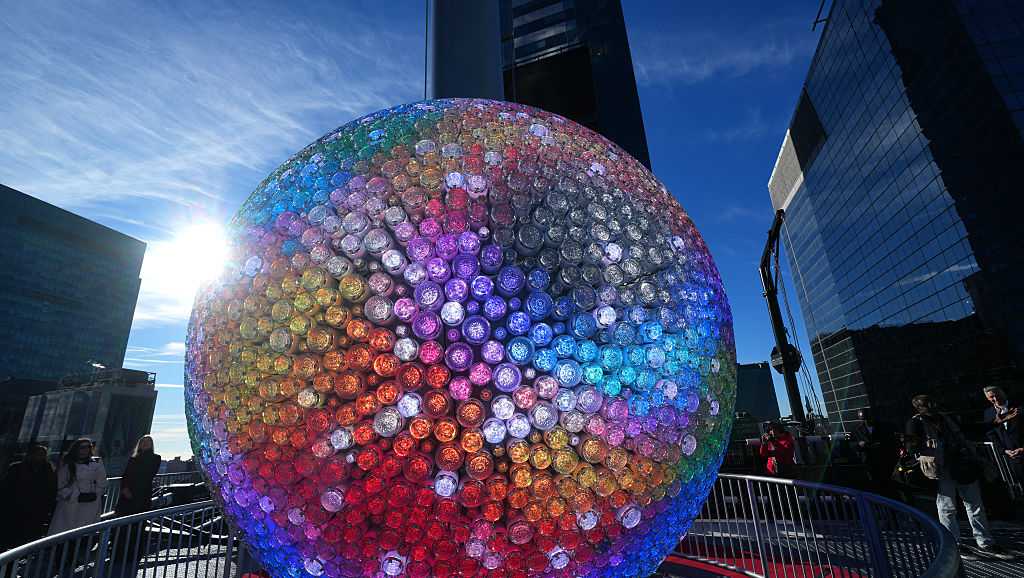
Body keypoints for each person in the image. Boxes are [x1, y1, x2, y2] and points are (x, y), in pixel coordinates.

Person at [905, 394, 1012, 560]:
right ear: (919, 408)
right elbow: (912, 447)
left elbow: (967, 429)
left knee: (974, 503)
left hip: (961, 463)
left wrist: (992, 423)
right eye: (928, 405)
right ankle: (954, 543)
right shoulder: (916, 423)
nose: (932, 407)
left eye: (932, 403)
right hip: (941, 468)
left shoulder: (947, 418)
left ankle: (985, 542)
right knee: (947, 507)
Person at [0, 445, 57, 549]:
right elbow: (6, 488)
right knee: (10, 536)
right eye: (38, 454)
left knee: (27, 537)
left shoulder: (48, 470)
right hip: (15, 508)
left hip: (36, 509)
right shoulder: (17, 468)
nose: (40, 457)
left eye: (42, 454)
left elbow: (51, 490)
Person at [49, 438, 107, 535]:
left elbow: (102, 481)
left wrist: (96, 494)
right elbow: (60, 484)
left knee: (85, 532)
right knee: (65, 531)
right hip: (71, 504)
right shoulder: (67, 463)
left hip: (90, 504)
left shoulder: (96, 463)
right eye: (82, 447)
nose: (85, 450)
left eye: (88, 447)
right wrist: (73, 495)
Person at [850, 409, 898, 495]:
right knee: (875, 483)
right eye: (863, 419)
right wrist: (859, 444)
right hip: (869, 461)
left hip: (884, 459)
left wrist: (882, 445)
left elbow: (891, 440)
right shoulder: (857, 429)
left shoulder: (883, 426)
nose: (866, 421)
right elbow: (852, 444)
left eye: (867, 419)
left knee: (888, 481)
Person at [983, 386, 1023, 481]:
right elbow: (991, 435)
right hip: (1010, 459)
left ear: (1003, 393)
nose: (995, 399)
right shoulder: (988, 413)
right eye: (992, 397)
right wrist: (1004, 450)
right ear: (987, 398)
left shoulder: (1020, 407)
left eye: (997, 395)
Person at [115, 435, 162, 516]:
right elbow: (125, 475)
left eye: (148, 442)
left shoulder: (156, 458)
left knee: (137, 521)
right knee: (121, 520)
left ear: (151, 445)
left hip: (141, 494)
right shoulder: (133, 459)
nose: (145, 443)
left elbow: (149, 474)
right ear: (139, 444)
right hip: (127, 493)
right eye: (143, 441)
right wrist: (124, 488)